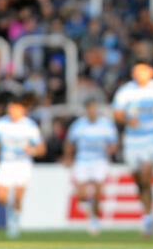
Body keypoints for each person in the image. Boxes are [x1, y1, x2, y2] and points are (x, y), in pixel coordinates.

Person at [112, 63, 153, 236]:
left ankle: (148, 217)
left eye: (141, 71)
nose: (138, 74)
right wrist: (127, 121)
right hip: (132, 140)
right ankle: (148, 212)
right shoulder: (126, 90)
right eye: (135, 71)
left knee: (146, 174)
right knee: (138, 179)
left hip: (152, 138)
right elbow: (117, 113)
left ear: (151, 71)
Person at [0, 94, 46, 238]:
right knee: (0, 197)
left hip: (22, 164)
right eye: (11, 108)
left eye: (16, 108)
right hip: (5, 163)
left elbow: (41, 149)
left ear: (22, 110)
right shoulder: (1, 124)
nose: (13, 111)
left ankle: (15, 220)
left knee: (19, 197)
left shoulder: (30, 126)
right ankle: (11, 209)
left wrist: (31, 150)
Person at [63, 99, 118, 235]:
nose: (92, 111)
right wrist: (68, 157)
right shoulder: (78, 125)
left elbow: (114, 143)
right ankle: (92, 206)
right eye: (89, 109)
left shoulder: (106, 125)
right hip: (82, 161)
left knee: (98, 191)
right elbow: (69, 142)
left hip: (99, 161)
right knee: (81, 195)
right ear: (86, 110)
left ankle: (95, 220)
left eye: (94, 108)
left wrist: (111, 150)